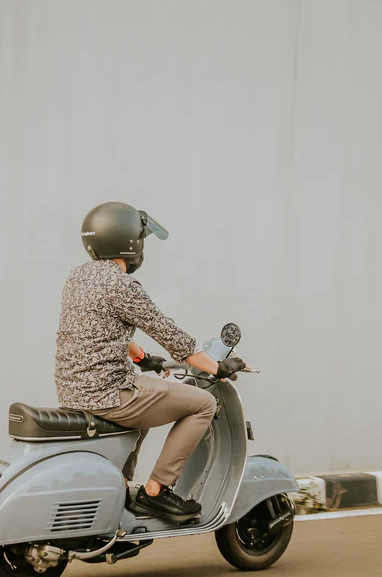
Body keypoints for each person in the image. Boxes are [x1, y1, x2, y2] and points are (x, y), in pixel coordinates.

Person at [54, 202, 246, 520]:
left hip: (74, 391)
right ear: (129, 242)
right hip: (110, 394)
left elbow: (98, 327)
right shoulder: (121, 285)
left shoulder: (78, 277)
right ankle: (157, 491)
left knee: (146, 402)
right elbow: (168, 334)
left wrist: (142, 358)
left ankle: (120, 485)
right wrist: (218, 367)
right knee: (203, 404)